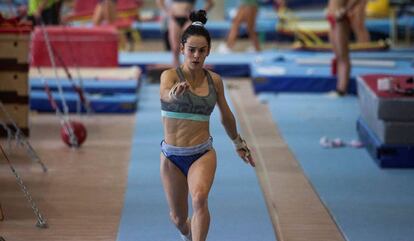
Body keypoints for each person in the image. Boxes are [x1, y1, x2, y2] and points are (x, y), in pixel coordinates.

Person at [159, 10, 255, 241]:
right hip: (172, 156)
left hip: (202, 152)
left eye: (202, 51)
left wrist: (238, 142)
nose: (196, 55)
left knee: (200, 198)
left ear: (208, 51)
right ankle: (187, 233)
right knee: (179, 219)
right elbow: (165, 96)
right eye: (191, 50)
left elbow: (226, 116)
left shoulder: (215, 81)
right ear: (182, 49)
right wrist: (174, 94)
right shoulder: (170, 76)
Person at [156, 0, 214, 67]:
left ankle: (191, 69)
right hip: (175, 18)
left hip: (188, 19)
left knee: (191, 46)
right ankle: (177, 70)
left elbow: (210, 3)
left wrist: (198, 14)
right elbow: (159, 1)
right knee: (175, 49)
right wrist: (167, 12)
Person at [327, 0, 362, 96]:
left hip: (340, 18)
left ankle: (342, 89)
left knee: (343, 56)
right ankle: (339, 87)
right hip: (331, 16)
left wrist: (346, 9)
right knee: (338, 56)